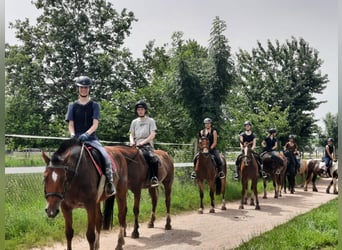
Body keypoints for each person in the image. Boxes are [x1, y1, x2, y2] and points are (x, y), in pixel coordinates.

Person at [65, 76, 116, 196]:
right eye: (81, 87)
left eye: (86, 87)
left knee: (105, 157)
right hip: (76, 138)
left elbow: (95, 124)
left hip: (91, 138)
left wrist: (87, 134)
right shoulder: (72, 105)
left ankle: (109, 183)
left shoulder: (94, 105)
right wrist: (73, 135)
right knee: (60, 158)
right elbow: (71, 124)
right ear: (78, 88)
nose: (84, 90)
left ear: (89, 89)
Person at [129, 100, 159, 187]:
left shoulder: (150, 121)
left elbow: (152, 135)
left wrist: (143, 142)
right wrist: (132, 142)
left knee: (152, 158)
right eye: (138, 109)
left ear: (145, 110)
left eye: (142, 109)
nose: (140, 111)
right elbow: (131, 134)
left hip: (146, 145)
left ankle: (154, 177)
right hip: (135, 144)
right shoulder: (134, 122)